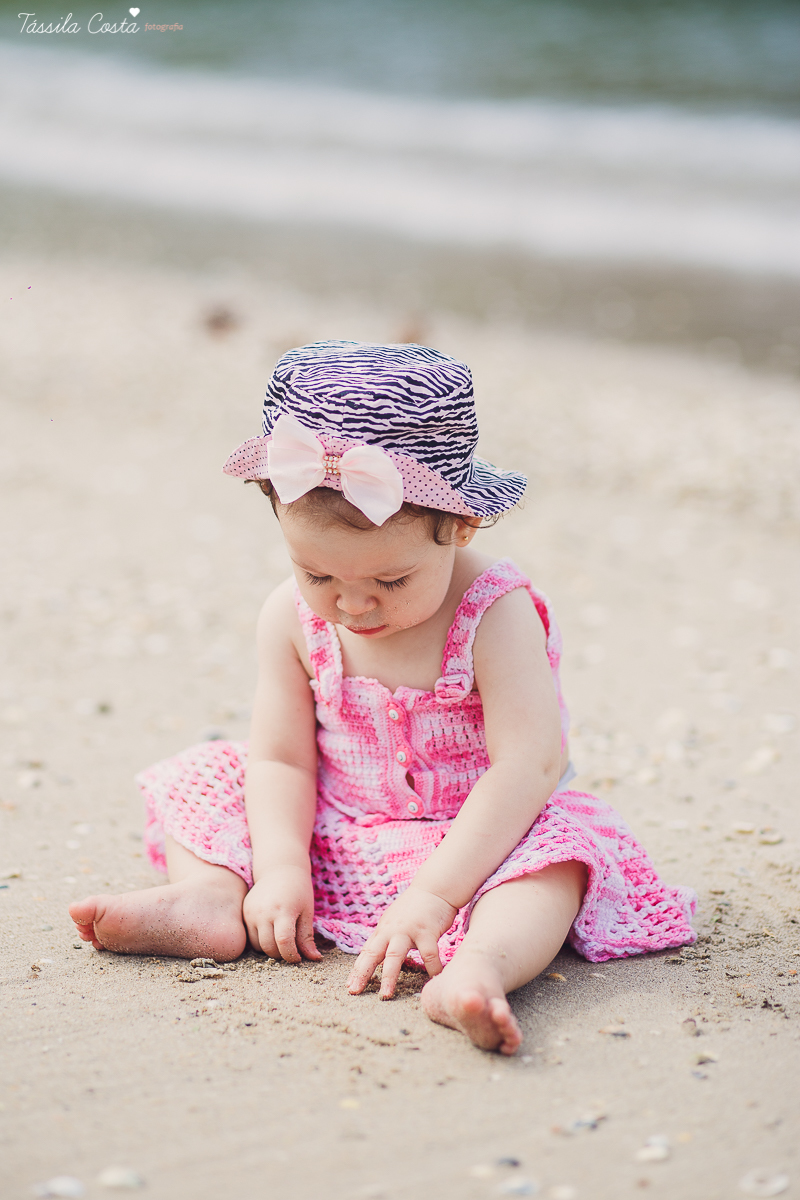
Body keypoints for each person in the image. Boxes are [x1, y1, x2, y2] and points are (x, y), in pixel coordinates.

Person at [69, 341, 696, 1054]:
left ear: (461, 527)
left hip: (479, 839)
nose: (353, 604)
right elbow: (281, 760)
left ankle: (478, 969)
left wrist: (433, 896)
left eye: (391, 582)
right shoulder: (291, 617)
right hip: (331, 829)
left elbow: (528, 767)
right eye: (317, 574)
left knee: (556, 861)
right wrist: (280, 867)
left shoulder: (495, 614)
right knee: (210, 774)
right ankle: (214, 898)